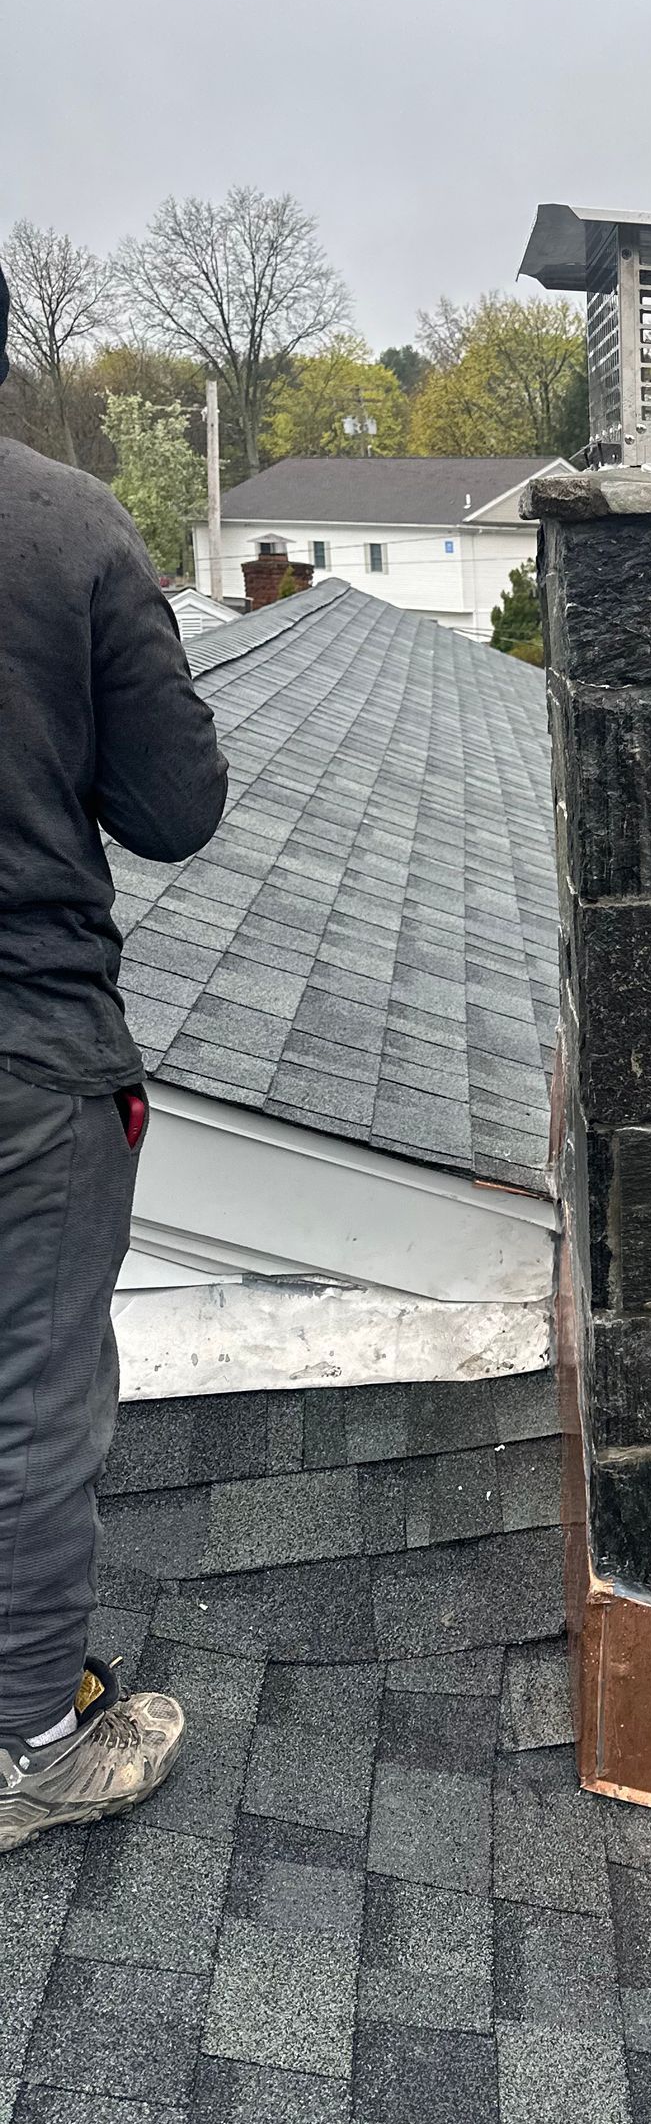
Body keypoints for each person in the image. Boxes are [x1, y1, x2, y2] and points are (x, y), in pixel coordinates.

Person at [0, 266, 229, 1851]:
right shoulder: (65, 527)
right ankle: (30, 1742)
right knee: (31, 1397)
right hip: (27, 1049)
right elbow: (175, 807)